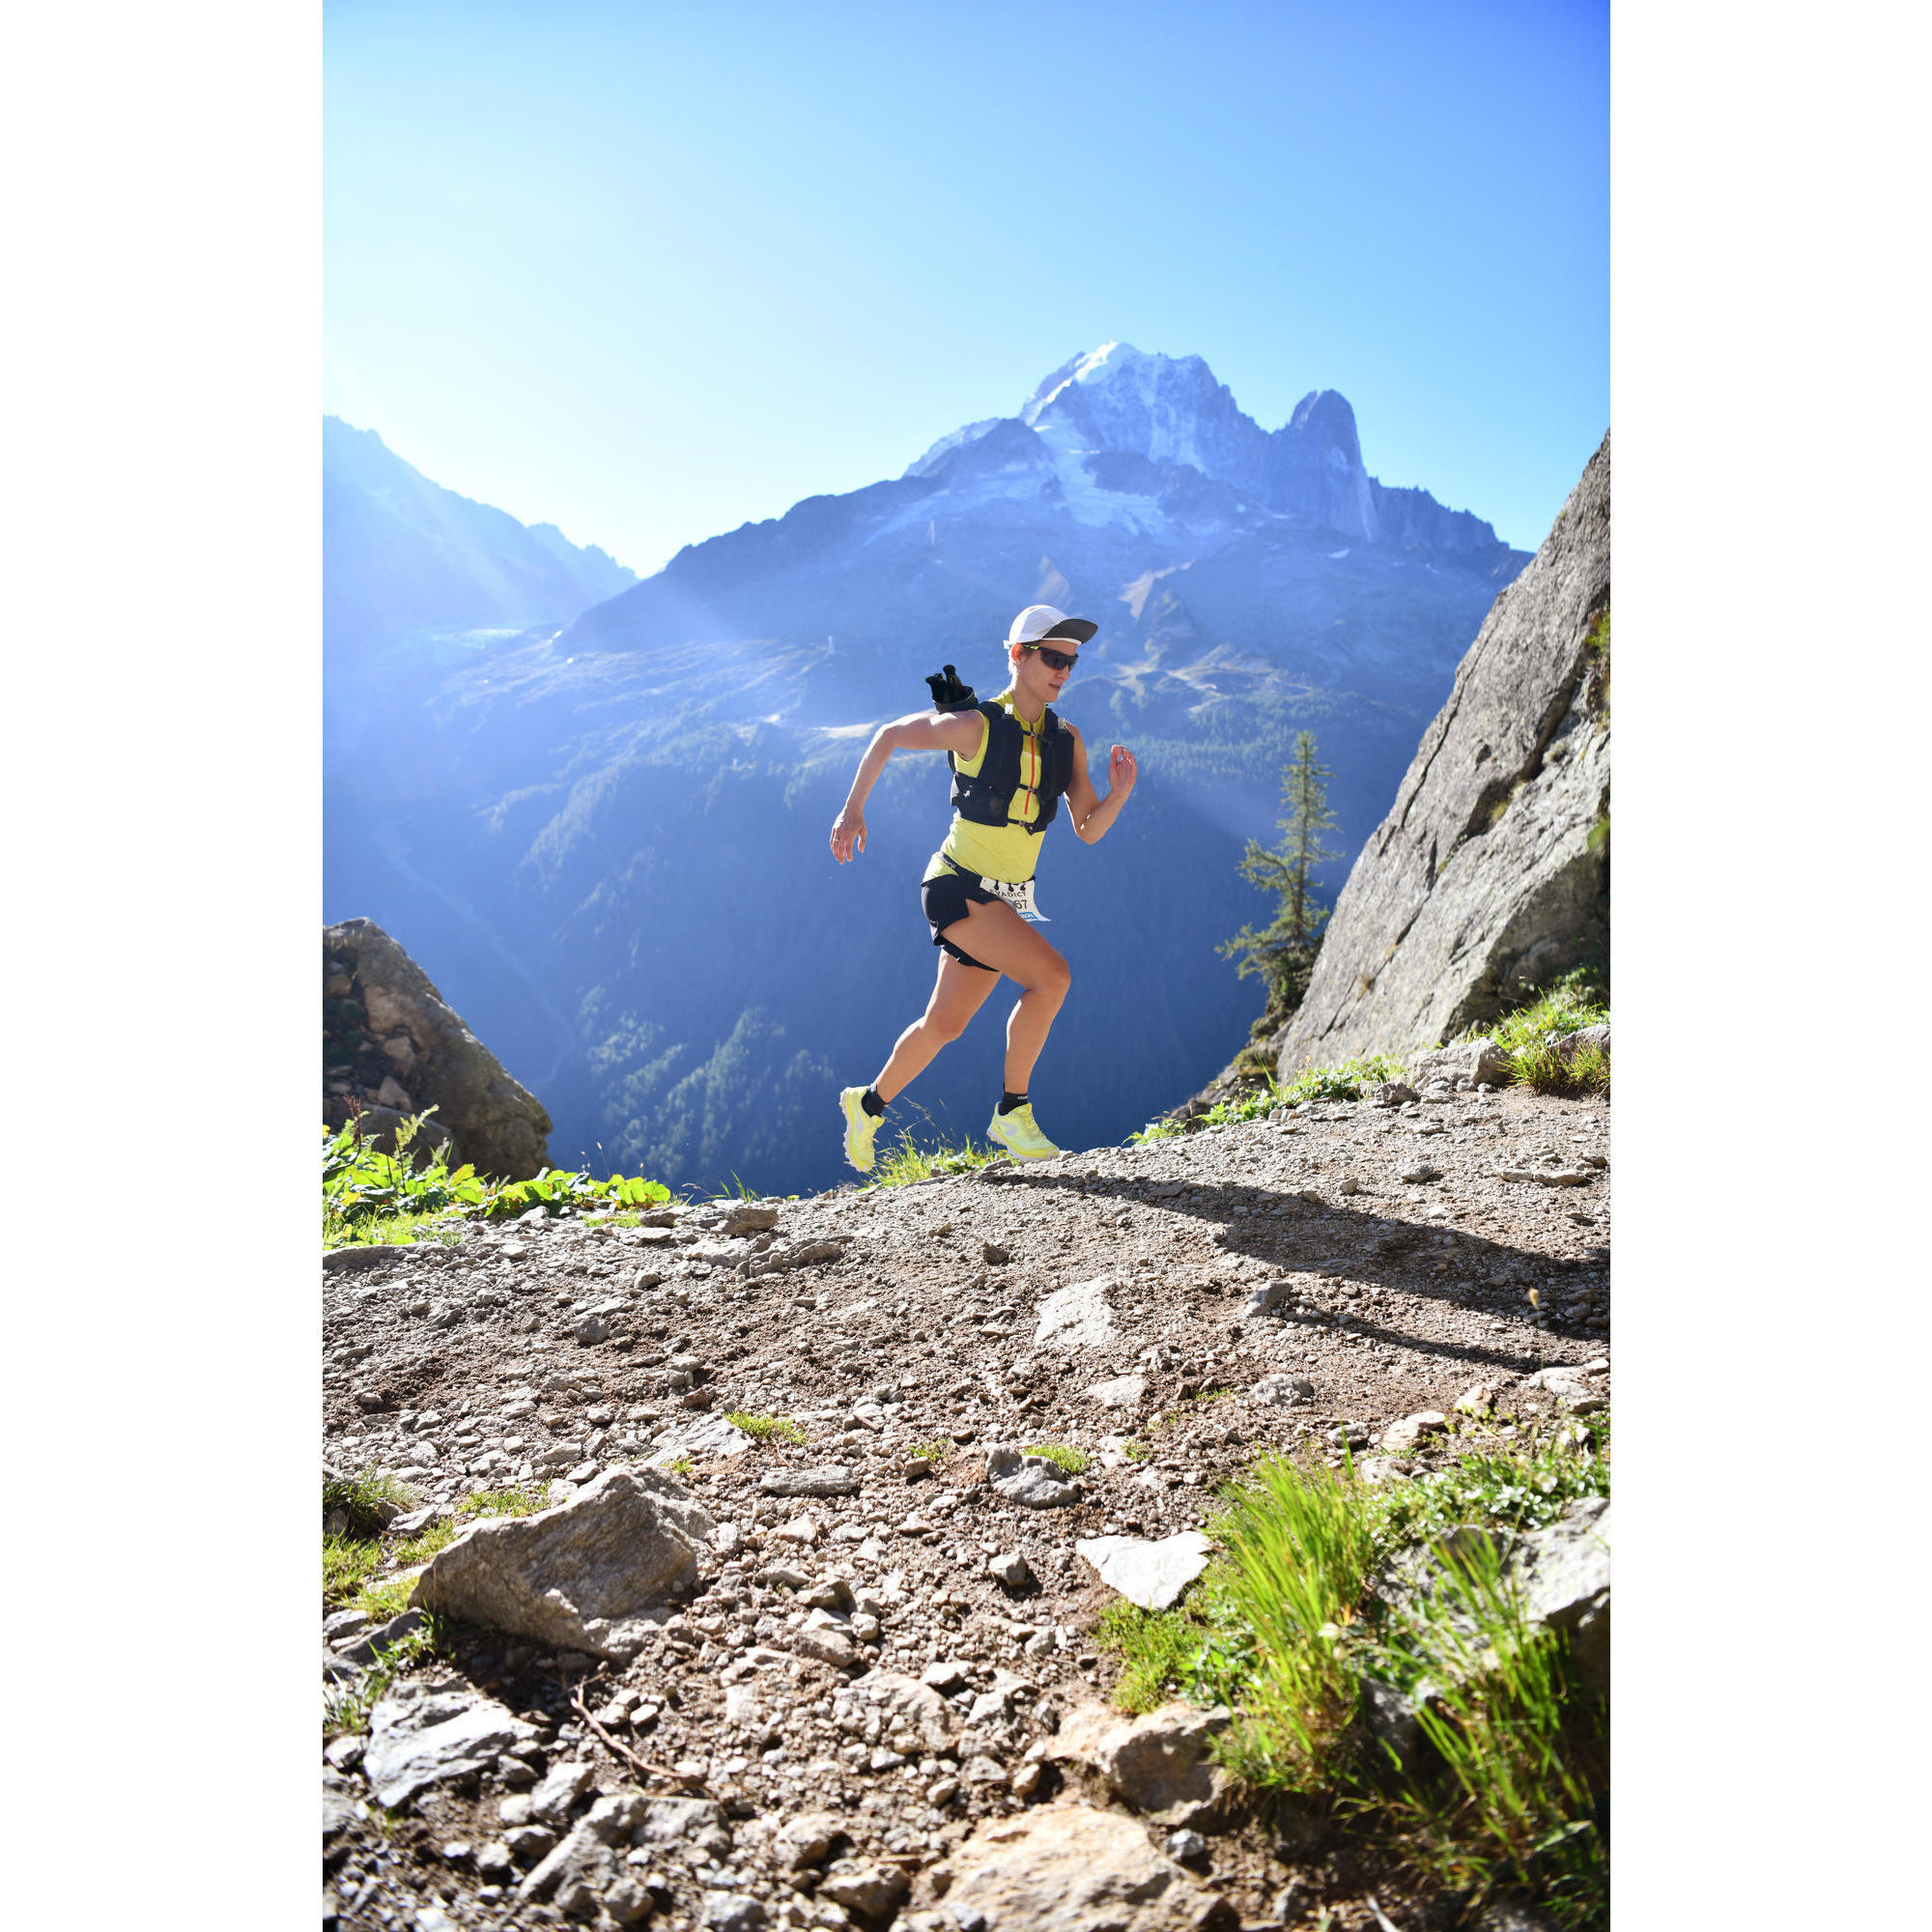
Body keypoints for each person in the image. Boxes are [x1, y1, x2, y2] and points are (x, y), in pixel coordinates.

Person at [829, 604, 1139, 1172]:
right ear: (1017, 655)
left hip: (1008, 899)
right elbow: (889, 735)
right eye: (1051, 657)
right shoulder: (975, 725)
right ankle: (1012, 1111)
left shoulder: (1067, 741)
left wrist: (1118, 793)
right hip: (958, 887)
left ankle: (866, 1104)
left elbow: (1088, 829)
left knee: (944, 1024)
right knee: (1052, 978)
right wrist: (852, 813)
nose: (1063, 670)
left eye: (1070, 661)